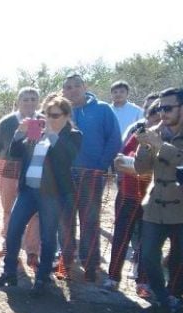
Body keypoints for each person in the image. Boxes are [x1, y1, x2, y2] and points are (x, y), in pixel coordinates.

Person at [0, 94, 81, 297]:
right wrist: (19, 134)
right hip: (28, 190)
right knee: (13, 230)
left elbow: (66, 158)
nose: (49, 118)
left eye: (55, 115)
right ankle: (9, 272)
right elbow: (15, 153)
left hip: (52, 194)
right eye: (46, 113)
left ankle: (41, 278)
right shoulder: (36, 129)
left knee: (48, 238)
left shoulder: (73, 134)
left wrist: (51, 134)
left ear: (66, 116)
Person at [59, 73, 121, 281]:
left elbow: (114, 140)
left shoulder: (102, 109)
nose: (72, 90)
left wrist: (100, 166)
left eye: (77, 85)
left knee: (89, 220)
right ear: (63, 91)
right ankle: (66, 259)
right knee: (65, 219)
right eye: (68, 87)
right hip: (65, 175)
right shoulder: (60, 112)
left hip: (92, 175)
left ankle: (90, 263)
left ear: (85, 87)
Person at [102, 100, 159, 294]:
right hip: (128, 194)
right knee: (120, 236)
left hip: (154, 200)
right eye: (154, 116)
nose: (158, 121)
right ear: (148, 117)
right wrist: (137, 166)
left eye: (161, 117)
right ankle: (112, 278)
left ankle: (143, 282)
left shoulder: (169, 140)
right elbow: (120, 159)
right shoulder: (137, 135)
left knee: (148, 241)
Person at [134, 87, 183, 313]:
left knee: (179, 257)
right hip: (155, 205)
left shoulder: (160, 137)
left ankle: (175, 296)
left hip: (180, 206)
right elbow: (140, 168)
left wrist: (160, 145)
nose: (163, 112)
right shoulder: (154, 132)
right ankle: (162, 296)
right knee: (148, 255)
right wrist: (144, 146)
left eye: (168, 107)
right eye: (160, 107)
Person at [0, 87, 42, 267]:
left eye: (33, 99)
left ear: (38, 101)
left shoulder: (41, 120)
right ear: (18, 101)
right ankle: (9, 245)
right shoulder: (7, 122)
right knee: (9, 208)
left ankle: (32, 251)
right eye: (25, 99)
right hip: (10, 168)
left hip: (35, 169)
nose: (29, 102)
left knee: (35, 212)